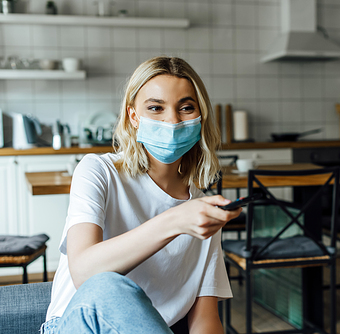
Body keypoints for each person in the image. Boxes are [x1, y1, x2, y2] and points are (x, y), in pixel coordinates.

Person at [41, 56, 242, 334]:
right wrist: (175, 221)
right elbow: (84, 273)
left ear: (199, 118)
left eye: (185, 107)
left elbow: (204, 319)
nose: (172, 120)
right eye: (156, 108)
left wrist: (186, 217)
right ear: (134, 116)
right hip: (77, 324)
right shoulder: (98, 171)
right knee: (107, 285)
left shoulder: (200, 211)